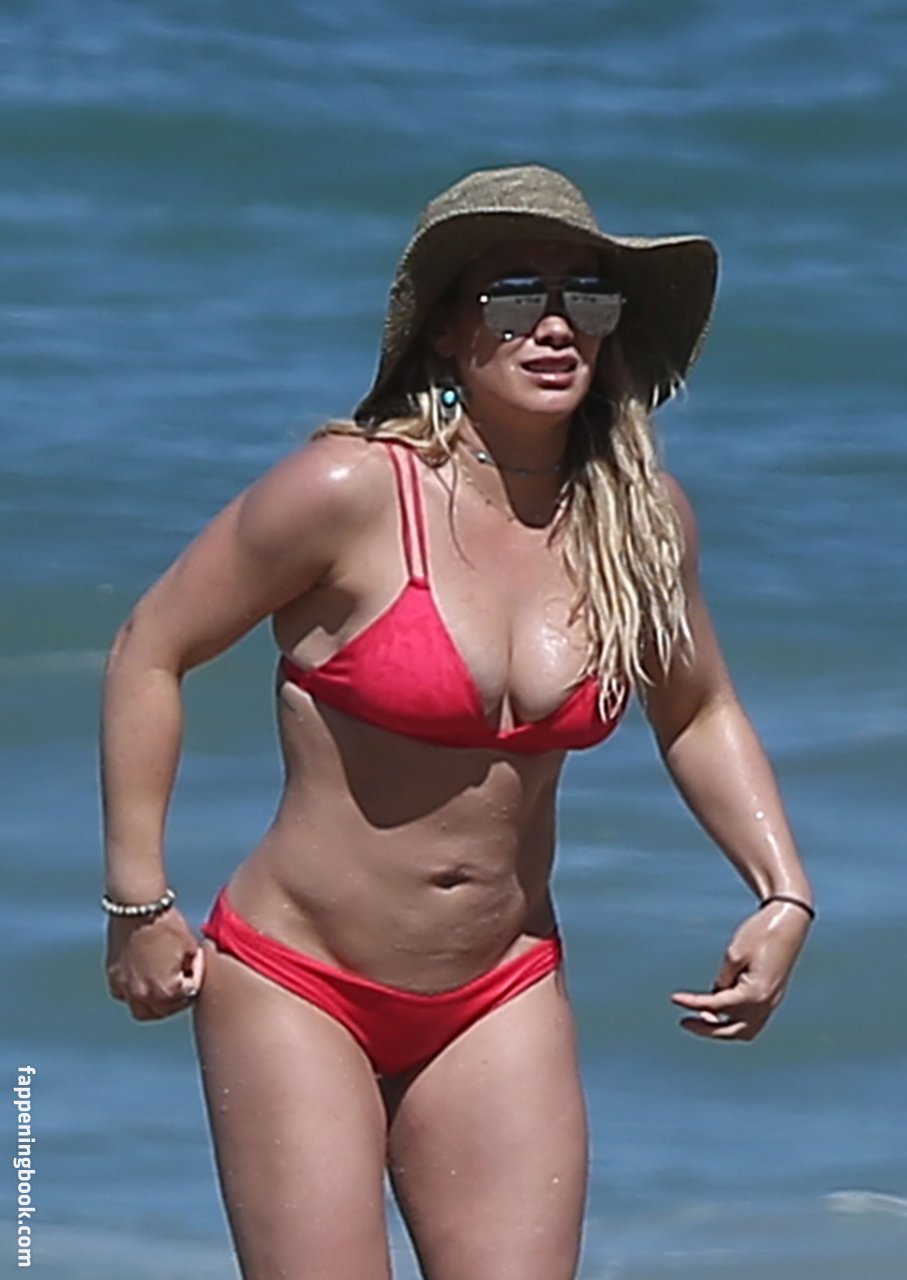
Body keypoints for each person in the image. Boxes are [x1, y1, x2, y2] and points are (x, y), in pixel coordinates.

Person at [101, 164, 814, 1280]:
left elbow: (696, 707)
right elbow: (151, 647)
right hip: (299, 977)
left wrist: (781, 890)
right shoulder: (348, 491)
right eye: (515, 292)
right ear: (444, 329)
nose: (554, 323)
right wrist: (139, 902)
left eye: (585, 295)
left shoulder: (639, 523)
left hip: (499, 986)